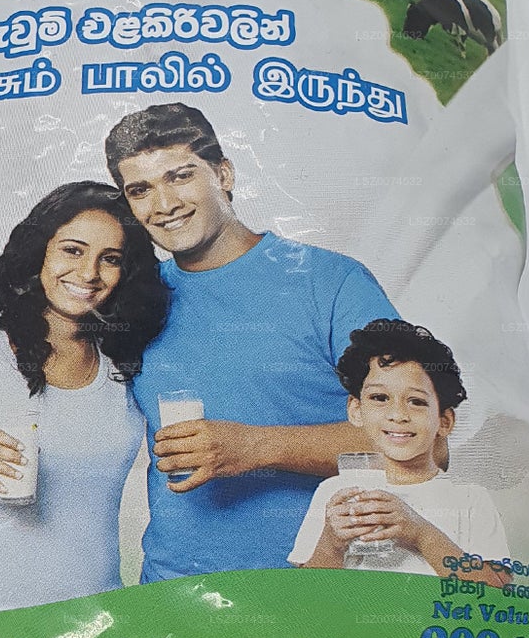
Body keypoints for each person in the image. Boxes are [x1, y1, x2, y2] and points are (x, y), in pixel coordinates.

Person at [105, 102, 400, 580]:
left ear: (223, 174)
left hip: (322, 587)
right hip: (174, 594)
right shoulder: (133, 300)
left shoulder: (330, 282)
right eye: (141, 190)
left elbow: (426, 444)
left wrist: (256, 446)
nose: (164, 204)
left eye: (181, 176)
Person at [0, 180, 168, 614]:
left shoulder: (123, 363)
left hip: (93, 621)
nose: (89, 273)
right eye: (72, 250)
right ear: (40, 251)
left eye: (110, 259)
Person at [289, 319, 513, 582]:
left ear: (444, 421)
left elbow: (497, 590)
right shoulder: (334, 494)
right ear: (356, 410)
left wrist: (419, 532)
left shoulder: (469, 500)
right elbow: (307, 593)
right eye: (380, 398)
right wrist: (331, 543)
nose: (398, 415)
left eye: (416, 401)